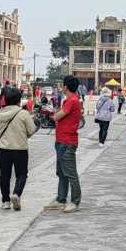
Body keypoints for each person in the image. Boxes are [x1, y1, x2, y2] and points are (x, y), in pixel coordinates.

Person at [0, 87, 37, 210]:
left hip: (3, 148)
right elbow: (31, 130)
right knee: (21, 174)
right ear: (18, 99)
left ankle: (5, 201)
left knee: (4, 175)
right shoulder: (23, 113)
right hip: (20, 148)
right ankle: (16, 193)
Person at [46, 75, 82, 213]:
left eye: (63, 85)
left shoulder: (72, 101)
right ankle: (61, 199)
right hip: (61, 140)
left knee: (70, 173)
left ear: (66, 86)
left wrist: (51, 113)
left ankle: (75, 201)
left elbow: (56, 116)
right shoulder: (69, 100)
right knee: (61, 172)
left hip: (68, 142)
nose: (61, 87)